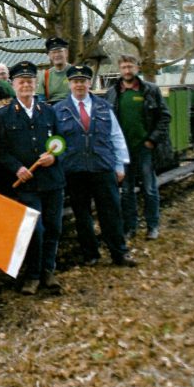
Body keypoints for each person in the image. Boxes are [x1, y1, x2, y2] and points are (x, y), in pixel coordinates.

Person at [53, 65, 137, 267]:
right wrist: (63, 163)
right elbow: (54, 142)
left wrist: (119, 165)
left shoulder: (103, 106)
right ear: (69, 83)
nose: (79, 85)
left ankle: (120, 253)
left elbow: (116, 136)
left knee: (111, 213)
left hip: (102, 167)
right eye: (75, 81)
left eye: (83, 81)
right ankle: (90, 254)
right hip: (75, 170)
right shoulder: (58, 110)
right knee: (82, 216)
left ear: (89, 83)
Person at [0, 61, 65, 294]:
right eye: (21, 81)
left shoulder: (49, 111)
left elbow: (61, 143)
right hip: (27, 184)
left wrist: (54, 158)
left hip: (52, 181)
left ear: (36, 84)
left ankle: (48, 271)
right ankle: (33, 275)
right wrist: (17, 168)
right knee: (36, 230)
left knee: (53, 228)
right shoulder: (4, 115)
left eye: (30, 81)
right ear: (13, 84)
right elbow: (1, 151)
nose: (26, 85)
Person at [104, 54, 171, 240]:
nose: (127, 70)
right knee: (126, 192)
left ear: (137, 68)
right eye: (124, 67)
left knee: (149, 189)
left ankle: (152, 226)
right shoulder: (113, 93)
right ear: (120, 69)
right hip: (122, 152)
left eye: (130, 66)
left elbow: (165, 117)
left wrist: (152, 140)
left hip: (145, 148)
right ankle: (130, 228)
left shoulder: (150, 90)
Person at [37, 37, 72, 104]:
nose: (57, 55)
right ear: (49, 55)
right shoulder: (46, 75)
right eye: (53, 52)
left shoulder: (74, 71)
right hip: (52, 109)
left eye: (59, 51)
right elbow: (41, 99)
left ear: (66, 53)